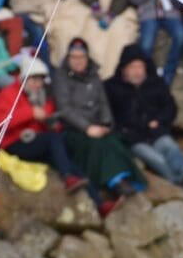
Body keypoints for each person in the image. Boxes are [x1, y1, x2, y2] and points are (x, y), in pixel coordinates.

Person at [53, 37, 146, 215]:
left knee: (114, 140)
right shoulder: (61, 77)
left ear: (87, 58)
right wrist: (87, 128)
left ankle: (127, 178)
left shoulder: (93, 74)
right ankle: (115, 182)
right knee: (95, 144)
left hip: (96, 125)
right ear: (68, 57)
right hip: (74, 129)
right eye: (74, 57)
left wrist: (106, 123)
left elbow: (103, 102)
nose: (78, 61)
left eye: (81, 57)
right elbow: (64, 109)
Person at [105, 44, 183, 192]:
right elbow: (109, 116)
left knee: (170, 147)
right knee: (157, 159)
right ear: (124, 69)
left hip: (156, 132)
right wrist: (124, 131)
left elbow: (170, 107)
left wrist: (160, 121)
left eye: (140, 67)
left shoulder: (156, 83)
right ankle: (178, 183)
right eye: (133, 67)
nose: (137, 72)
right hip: (133, 138)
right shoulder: (111, 87)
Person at [0, 60, 90, 193]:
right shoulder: (8, 94)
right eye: (34, 80)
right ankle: (67, 178)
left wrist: (52, 124)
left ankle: (99, 202)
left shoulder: (42, 97)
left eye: (40, 80)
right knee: (53, 140)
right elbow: (0, 123)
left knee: (67, 162)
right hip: (13, 143)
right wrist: (30, 113)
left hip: (35, 142)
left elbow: (46, 126)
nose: (38, 84)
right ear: (24, 79)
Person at [129, 0, 183, 86]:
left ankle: (167, 77)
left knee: (180, 36)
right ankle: (148, 78)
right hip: (148, 14)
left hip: (171, 13)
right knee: (146, 44)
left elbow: (182, 2)